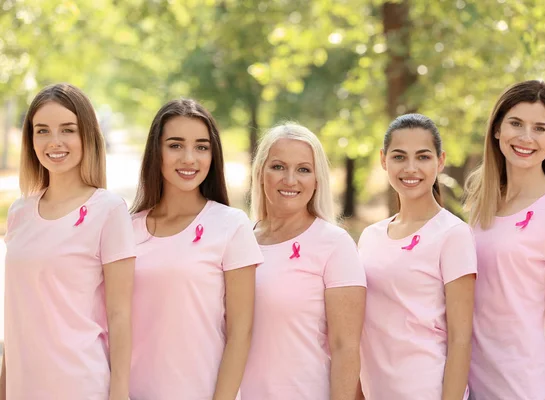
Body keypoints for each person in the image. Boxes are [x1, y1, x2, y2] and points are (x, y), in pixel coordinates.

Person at [1, 83, 135, 399]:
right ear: (30, 139)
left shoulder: (109, 210)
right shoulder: (20, 212)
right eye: (42, 131)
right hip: (24, 386)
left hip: (80, 385)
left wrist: (119, 394)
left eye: (67, 130)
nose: (54, 141)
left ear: (86, 135)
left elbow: (120, 315)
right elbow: (16, 313)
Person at [464, 80, 545, 400]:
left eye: (539, 128)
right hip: (468, 381)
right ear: (496, 129)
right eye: (516, 123)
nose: (525, 137)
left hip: (523, 388)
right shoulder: (480, 205)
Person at [128, 99, 262, 400]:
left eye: (202, 147)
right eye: (175, 145)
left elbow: (240, 334)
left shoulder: (230, 225)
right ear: (156, 152)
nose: (189, 158)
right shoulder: (126, 229)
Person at [240, 123, 366, 400]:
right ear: (260, 171)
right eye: (278, 166)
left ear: (317, 179)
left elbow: (346, 348)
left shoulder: (334, 244)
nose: (290, 179)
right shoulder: (239, 241)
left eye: (303, 169)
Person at [358, 114, 476, 399]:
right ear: (384, 160)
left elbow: (461, 338)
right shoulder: (369, 237)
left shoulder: (453, 234)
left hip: (425, 388)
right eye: (399, 157)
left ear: (441, 161)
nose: (411, 168)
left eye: (423, 157)